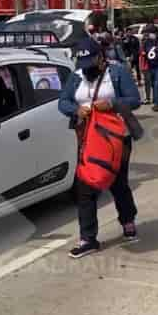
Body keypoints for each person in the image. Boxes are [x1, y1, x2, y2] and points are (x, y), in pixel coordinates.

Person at [58, 38, 142, 259]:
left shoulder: (117, 72)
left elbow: (134, 99)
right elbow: (63, 102)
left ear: (100, 57)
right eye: (83, 63)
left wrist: (112, 105)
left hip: (116, 138)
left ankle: (128, 221)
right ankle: (88, 238)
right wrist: (77, 110)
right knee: (85, 187)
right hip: (87, 139)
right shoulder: (76, 76)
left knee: (117, 182)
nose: (87, 68)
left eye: (90, 62)